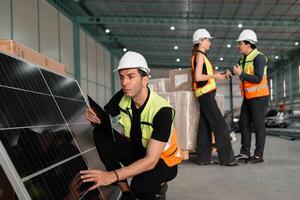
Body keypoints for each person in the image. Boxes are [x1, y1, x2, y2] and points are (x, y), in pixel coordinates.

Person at [81, 51, 182, 200]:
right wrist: (93, 116)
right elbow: (103, 120)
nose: (124, 82)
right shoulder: (123, 95)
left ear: (145, 79)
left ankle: (158, 187)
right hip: (139, 150)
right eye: (122, 77)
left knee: (141, 187)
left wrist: (112, 176)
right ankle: (125, 191)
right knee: (100, 132)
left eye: (131, 76)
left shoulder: (162, 111)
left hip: (164, 161)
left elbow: (151, 160)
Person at [191, 28, 237, 166]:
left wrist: (218, 75)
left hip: (203, 94)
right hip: (206, 95)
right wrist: (215, 76)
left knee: (204, 127)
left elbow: (205, 74)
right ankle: (227, 159)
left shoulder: (199, 56)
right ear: (201, 41)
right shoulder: (200, 56)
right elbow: (198, 77)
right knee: (220, 126)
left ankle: (203, 159)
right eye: (208, 40)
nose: (210, 42)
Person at [231, 29, 270, 164]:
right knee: (244, 123)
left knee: (258, 126)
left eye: (240, 43)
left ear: (248, 44)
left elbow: (258, 78)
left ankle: (259, 155)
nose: (238, 46)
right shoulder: (243, 58)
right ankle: (244, 153)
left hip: (259, 97)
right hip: (248, 97)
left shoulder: (259, 57)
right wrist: (230, 73)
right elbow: (236, 70)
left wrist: (240, 74)